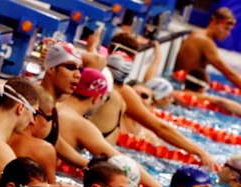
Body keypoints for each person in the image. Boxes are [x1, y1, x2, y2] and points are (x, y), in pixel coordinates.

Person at [89, 34, 217, 170]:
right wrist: (199, 151)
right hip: (100, 162)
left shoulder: (96, 76)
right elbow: (160, 128)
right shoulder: (123, 92)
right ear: (132, 60)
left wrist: (92, 46)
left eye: (144, 96)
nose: (140, 99)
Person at [57, 67, 166, 187]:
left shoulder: (54, 107)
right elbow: (124, 165)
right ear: (97, 98)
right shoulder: (80, 124)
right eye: (106, 99)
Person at [175, 7, 241, 90]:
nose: (227, 34)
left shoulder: (197, 33)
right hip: (185, 87)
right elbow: (228, 73)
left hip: (182, 82)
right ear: (214, 22)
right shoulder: (204, 41)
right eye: (225, 29)